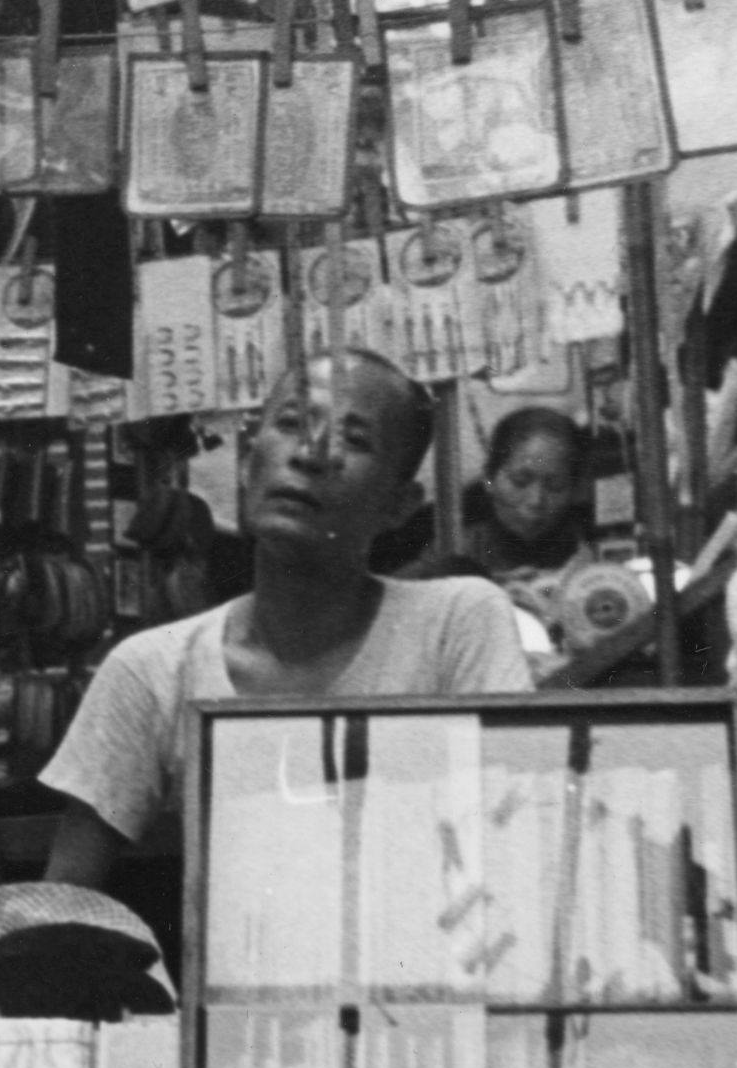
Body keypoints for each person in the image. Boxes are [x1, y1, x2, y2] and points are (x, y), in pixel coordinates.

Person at [44, 349, 533, 888]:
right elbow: (62, 901)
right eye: (293, 424)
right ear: (250, 457)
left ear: (399, 504)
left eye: (355, 439)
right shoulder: (154, 670)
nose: (310, 454)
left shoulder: (456, 623)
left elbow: (514, 842)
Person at [414, 403, 593, 585]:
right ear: (489, 479)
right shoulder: (453, 550)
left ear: (575, 490)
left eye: (555, 486)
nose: (536, 500)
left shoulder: (591, 556)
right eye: (519, 482)